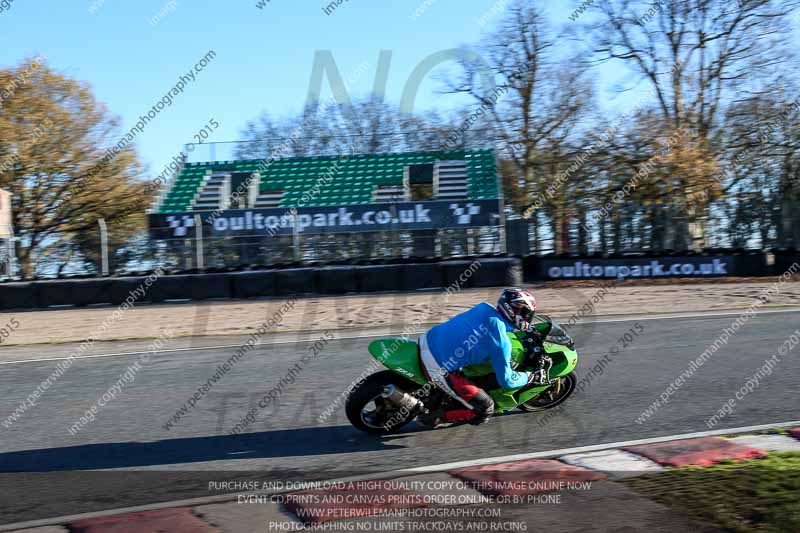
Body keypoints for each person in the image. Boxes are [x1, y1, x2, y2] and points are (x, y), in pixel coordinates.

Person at [417, 287, 541, 428]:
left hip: (426, 340)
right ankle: (432, 419)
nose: (527, 318)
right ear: (513, 309)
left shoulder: (483, 307)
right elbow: (507, 380)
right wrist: (531, 377)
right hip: (436, 365)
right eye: (525, 313)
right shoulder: (501, 341)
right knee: (485, 408)